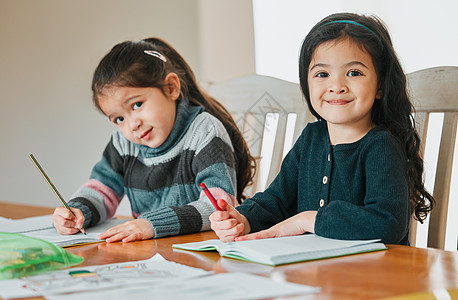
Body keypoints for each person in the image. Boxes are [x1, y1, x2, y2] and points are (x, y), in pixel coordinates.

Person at [210, 12, 434, 245]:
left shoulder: (382, 146)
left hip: (371, 276)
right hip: (314, 271)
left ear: (380, 86)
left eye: (354, 73)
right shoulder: (311, 138)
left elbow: (388, 224)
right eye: (322, 74)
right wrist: (243, 219)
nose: (337, 86)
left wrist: (308, 220)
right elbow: (276, 199)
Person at [52, 37, 255, 242]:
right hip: (149, 251)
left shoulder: (204, 131)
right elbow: (102, 190)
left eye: (137, 104)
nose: (132, 125)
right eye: (119, 119)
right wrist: (78, 212)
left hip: (200, 247)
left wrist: (152, 224)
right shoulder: (124, 144)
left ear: (171, 88)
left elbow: (217, 206)